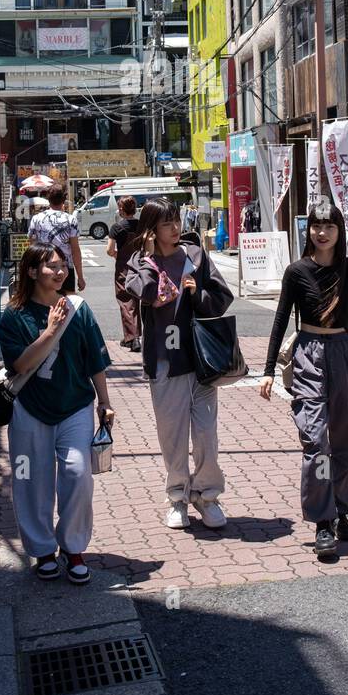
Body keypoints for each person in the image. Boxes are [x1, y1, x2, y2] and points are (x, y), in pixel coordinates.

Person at [259, 200, 348, 560]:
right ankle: (322, 522)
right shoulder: (296, 271)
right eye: (316, 226)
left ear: (340, 230)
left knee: (347, 439)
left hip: (343, 352)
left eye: (329, 226)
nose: (321, 232)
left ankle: (341, 508)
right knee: (316, 440)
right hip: (307, 355)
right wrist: (269, 370)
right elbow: (280, 320)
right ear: (309, 230)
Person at [0, 243, 114, 584]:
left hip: (75, 406)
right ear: (32, 272)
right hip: (30, 408)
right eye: (51, 266)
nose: (60, 271)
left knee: (78, 474)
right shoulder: (14, 316)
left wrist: (104, 402)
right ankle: (43, 550)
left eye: (63, 265)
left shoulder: (78, 309)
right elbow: (19, 364)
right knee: (30, 481)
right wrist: (49, 331)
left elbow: (95, 360)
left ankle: (73, 548)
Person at [123, 199, 233, 530]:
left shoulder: (195, 256)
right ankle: (177, 497)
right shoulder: (139, 262)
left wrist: (197, 293)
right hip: (163, 360)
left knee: (205, 434)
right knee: (172, 436)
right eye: (167, 223)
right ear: (152, 229)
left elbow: (222, 296)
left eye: (176, 221)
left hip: (201, 359)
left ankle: (207, 495)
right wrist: (147, 257)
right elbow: (140, 290)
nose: (175, 228)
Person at [27, 183, 85, 294]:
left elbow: (32, 248)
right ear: (64, 199)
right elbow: (75, 251)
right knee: (68, 303)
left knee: (44, 302)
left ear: (48, 199)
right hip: (65, 268)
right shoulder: (70, 220)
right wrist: (80, 277)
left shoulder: (36, 219)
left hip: (44, 268)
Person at [105, 196, 141, 351]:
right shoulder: (141, 225)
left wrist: (116, 255)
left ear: (121, 209)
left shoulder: (117, 227)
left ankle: (133, 338)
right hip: (140, 266)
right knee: (137, 301)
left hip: (124, 268)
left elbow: (109, 250)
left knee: (126, 301)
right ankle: (132, 336)